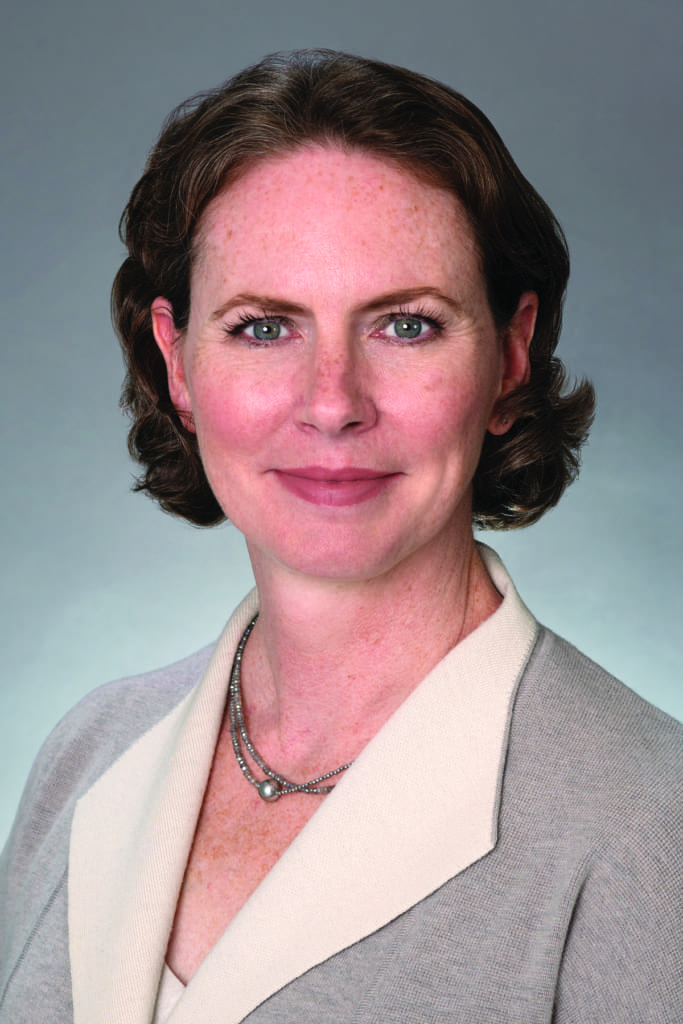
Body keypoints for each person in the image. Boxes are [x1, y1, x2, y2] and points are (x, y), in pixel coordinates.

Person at [1, 49, 681, 1024]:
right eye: (262, 327)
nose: (331, 403)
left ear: (509, 356)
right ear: (177, 362)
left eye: (404, 325)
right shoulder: (88, 753)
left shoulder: (649, 822)